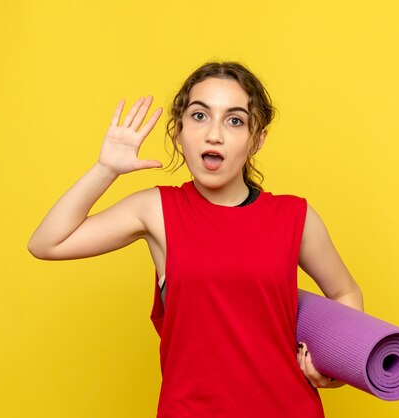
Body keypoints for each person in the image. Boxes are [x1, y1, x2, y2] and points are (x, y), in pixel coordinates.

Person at [28, 61, 364, 417]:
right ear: (178, 131)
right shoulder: (155, 209)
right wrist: (106, 169)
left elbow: (345, 292)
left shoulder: (295, 216)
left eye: (235, 120)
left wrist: (336, 360)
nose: (214, 134)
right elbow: (48, 243)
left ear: (257, 139)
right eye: (200, 116)